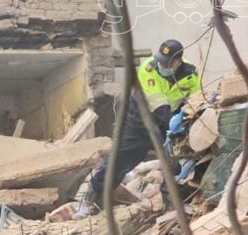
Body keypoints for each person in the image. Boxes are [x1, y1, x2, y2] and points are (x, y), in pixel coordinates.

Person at [79, 38, 201, 218]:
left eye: (166, 63)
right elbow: (160, 107)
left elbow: (195, 101)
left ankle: (171, 205)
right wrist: (175, 127)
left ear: (177, 61)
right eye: (160, 61)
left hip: (168, 123)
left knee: (176, 161)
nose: (161, 65)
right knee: (119, 158)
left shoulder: (191, 74)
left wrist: (186, 123)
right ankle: (91, 198)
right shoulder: (148, 70)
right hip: (140, 121)